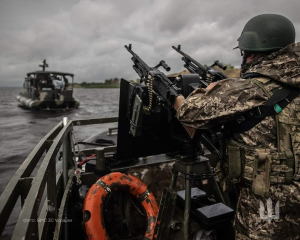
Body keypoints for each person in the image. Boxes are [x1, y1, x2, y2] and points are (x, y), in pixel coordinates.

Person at [174, 14, 300, 240]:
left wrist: (202, 93)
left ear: (250, 52)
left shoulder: (249, 89)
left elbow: (189, 113)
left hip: (265, 206)